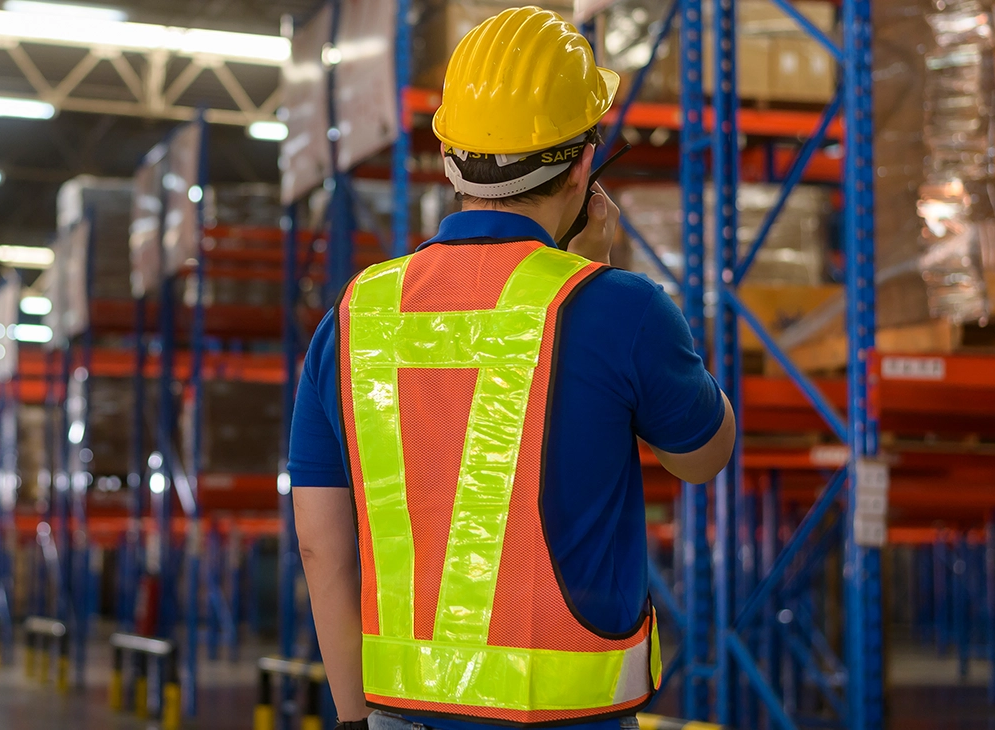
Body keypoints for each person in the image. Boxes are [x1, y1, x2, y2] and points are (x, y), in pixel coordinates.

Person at [286, 7, 736, 730]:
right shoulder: (622, 308)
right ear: (586, 164)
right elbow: (704, 456)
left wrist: (352, 719)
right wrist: (592, 279)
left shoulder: (352, 318)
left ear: (448, 161)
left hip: (401, 715)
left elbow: (320, 544)